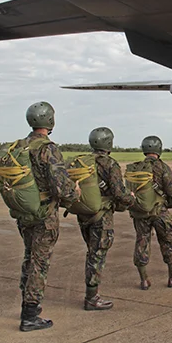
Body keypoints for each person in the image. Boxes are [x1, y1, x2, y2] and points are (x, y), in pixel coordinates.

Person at [15, 102, 79, 330]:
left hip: (25, 212)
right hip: (45, 214)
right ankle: (30, 315)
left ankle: (26, 303)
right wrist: (75, 193)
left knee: (29, 256)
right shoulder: (48, 149)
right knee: (39, 262)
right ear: (50, 121)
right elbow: (61, 186)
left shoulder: (21, 147)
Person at [77, 127, 134, 310]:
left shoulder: (83, 162)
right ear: (108, 143)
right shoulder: (109, 164)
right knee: (97, 254)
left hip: (84, 213)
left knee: (91, 251)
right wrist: (131, 198)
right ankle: (91, 297)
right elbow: (119, 193)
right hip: (102, 216)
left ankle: (91, 294)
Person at [127, 136, 172, 290]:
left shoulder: (136, 168)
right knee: (168, 242)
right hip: (159, 212)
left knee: (142, 242)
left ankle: (144, 280)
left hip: (140, 213)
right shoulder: (162, 167)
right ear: (158, 149)